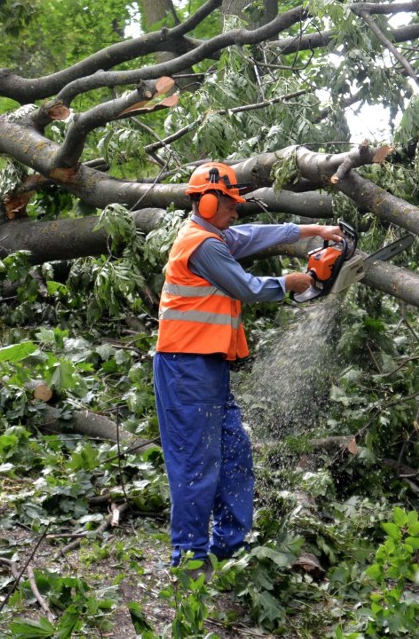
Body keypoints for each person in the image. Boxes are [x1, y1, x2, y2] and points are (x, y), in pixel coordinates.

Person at [153, 161, 344, 568]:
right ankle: (189, 559)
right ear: (207, 202)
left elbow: (255, 235)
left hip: (210, 369)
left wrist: (315, 231)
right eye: (230, 205)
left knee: (235, 452)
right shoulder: (201, 244)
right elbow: (246, 286)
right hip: (185, 367)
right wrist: (287, 284)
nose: (235, 212)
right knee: (196, 463)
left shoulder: (215, 235)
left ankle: (231, 546)